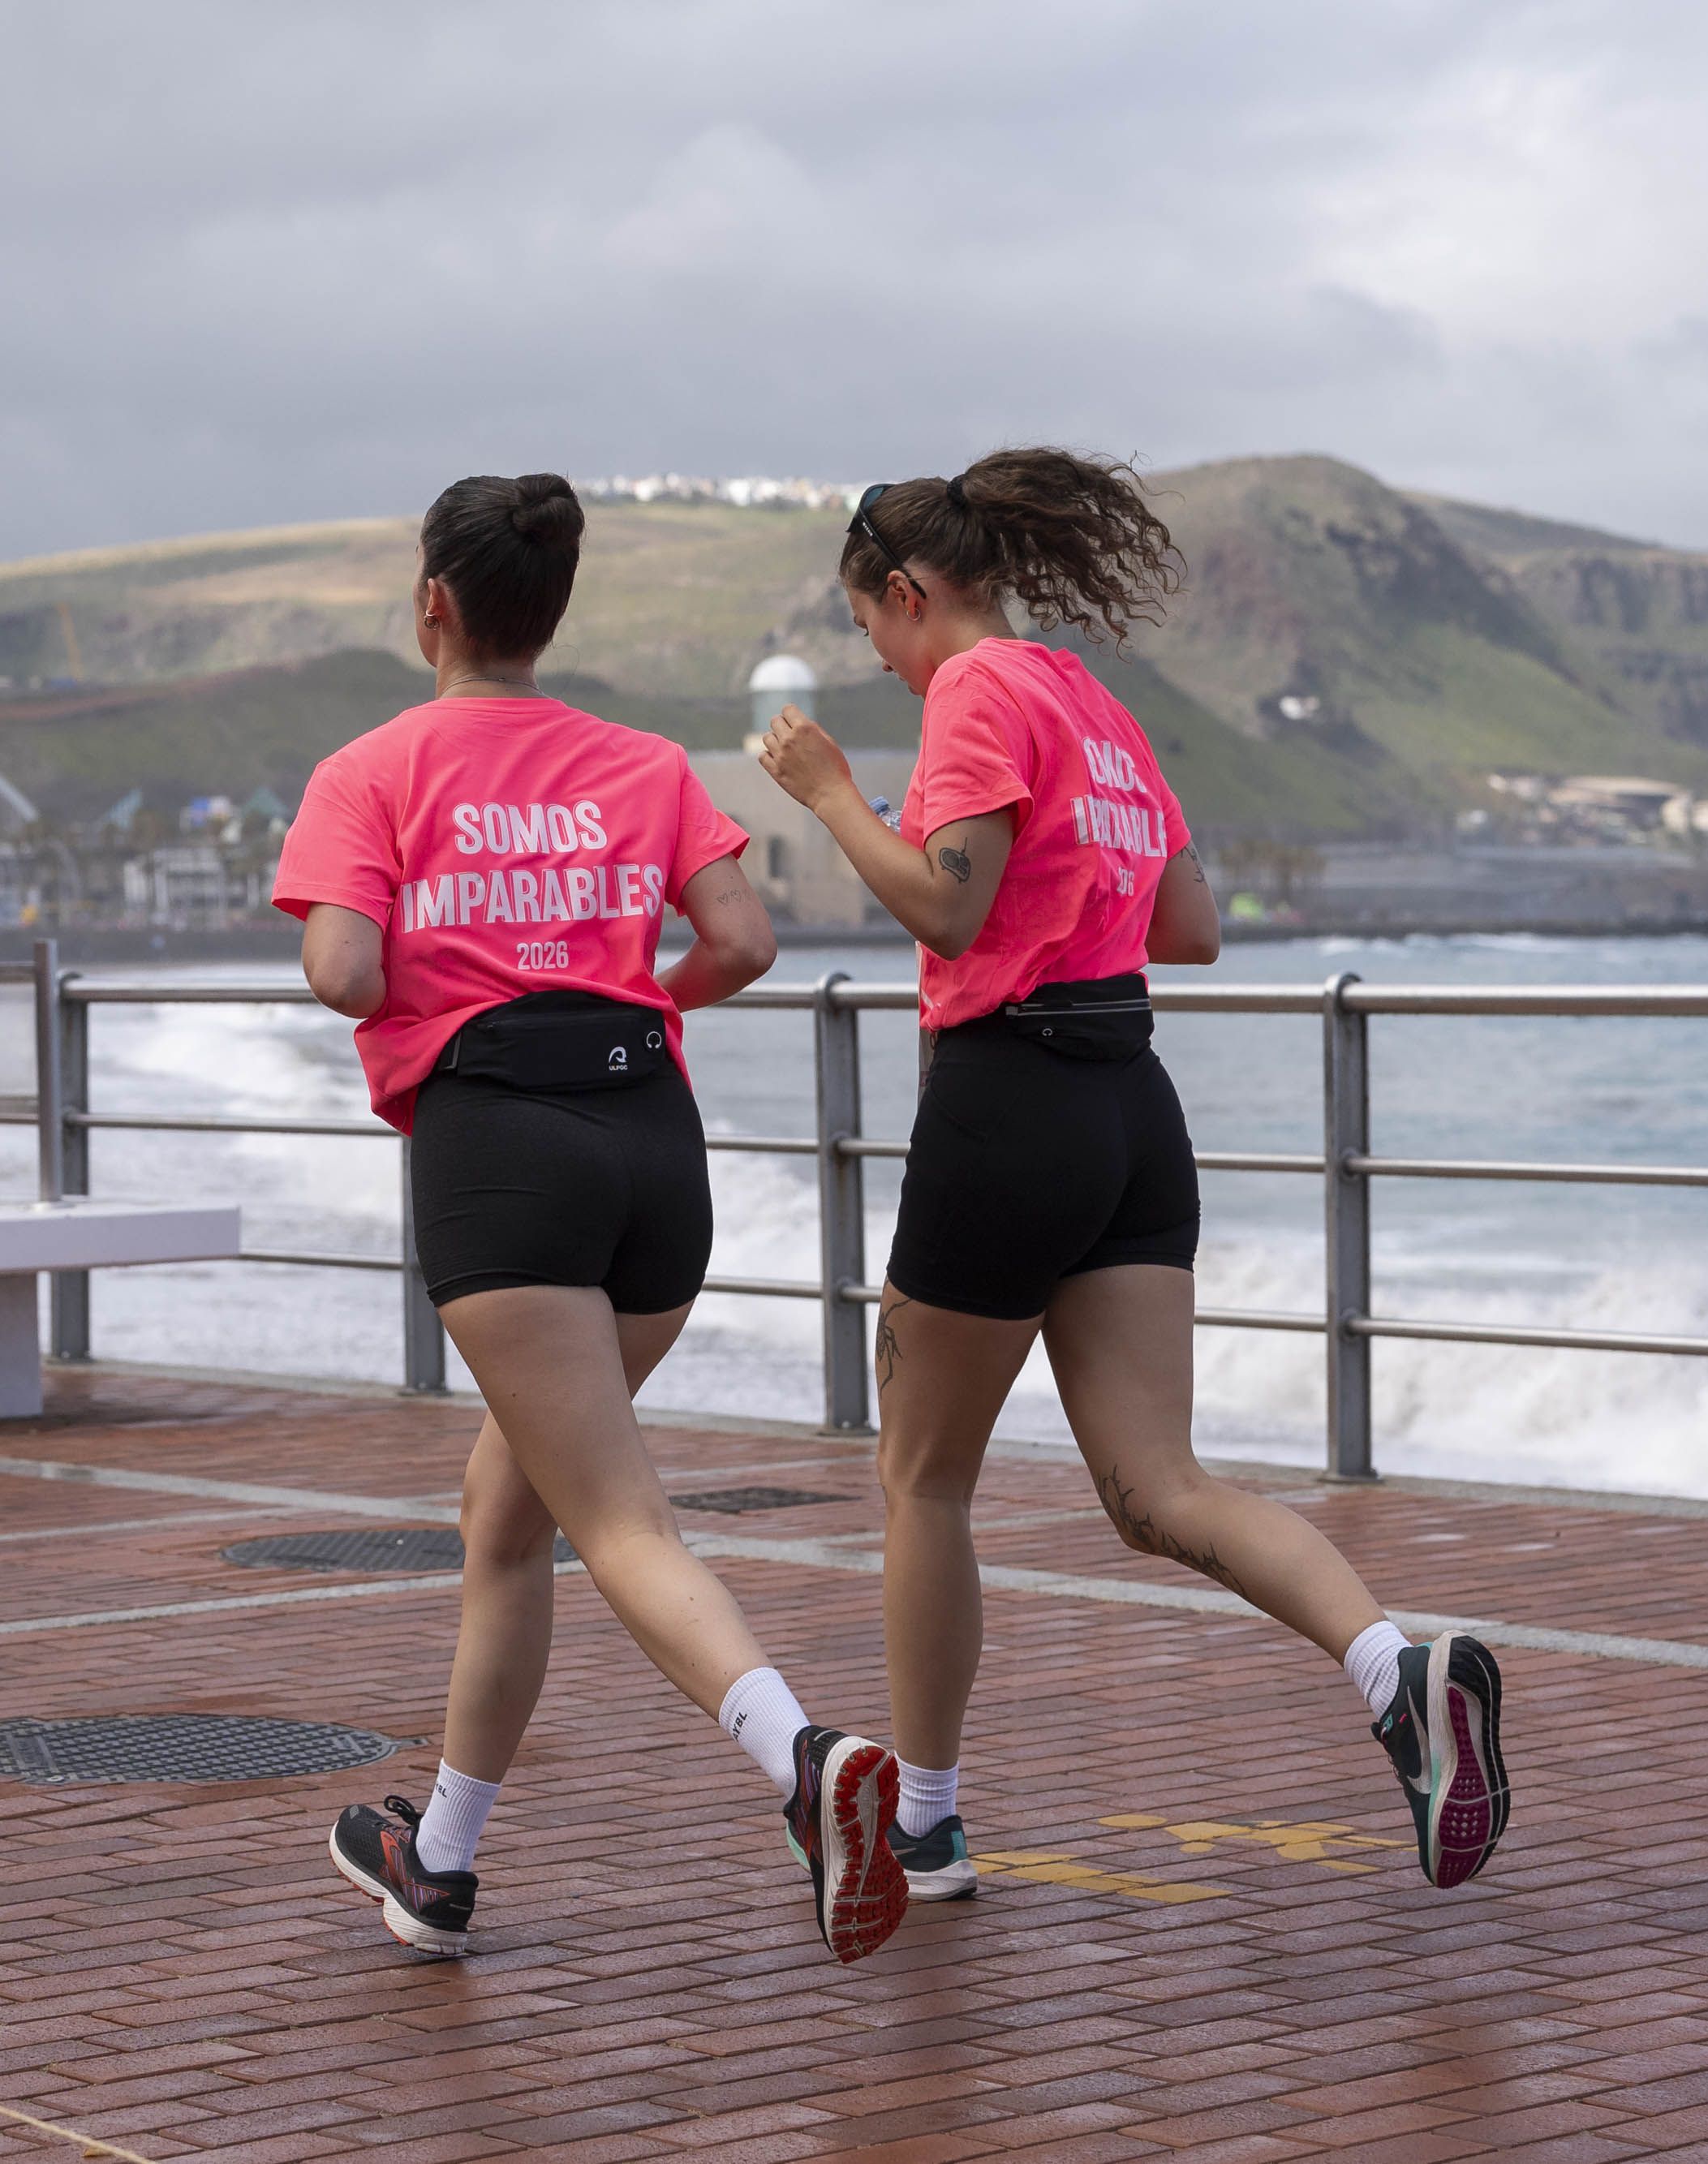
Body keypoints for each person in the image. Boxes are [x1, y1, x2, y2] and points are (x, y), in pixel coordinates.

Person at [757, 450, 1510, 1899]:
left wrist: (834, 796)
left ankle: (925, 1817)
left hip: (1009, 1099)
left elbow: (950, 908)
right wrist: (1068, 891)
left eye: (875, 631)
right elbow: (1196, 925)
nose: (886, 662)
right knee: (1160, 1486)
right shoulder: (1096, 703)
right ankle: (1396, 1674)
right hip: (1130, 1108)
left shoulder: (975, 693)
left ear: (910, 594)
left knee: (921, 1477)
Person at [277, 473, 908, 1966]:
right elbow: (743, 939)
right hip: (652, 1150)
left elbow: (346, 975)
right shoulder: (637, 762)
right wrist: (626, 995)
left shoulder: (371, 768)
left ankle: (805, 1762)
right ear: (545, 612)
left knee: (618, 1521)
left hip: (504, 1152)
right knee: (508, 1516)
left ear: (435, 603)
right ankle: (436, 1862)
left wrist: (431, 967)